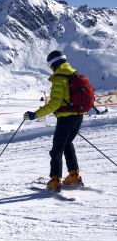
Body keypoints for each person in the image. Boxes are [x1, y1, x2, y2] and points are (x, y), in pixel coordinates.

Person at [23, 50, 84, 191]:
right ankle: (74, 175)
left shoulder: (59, 77)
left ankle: (55, 180)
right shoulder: (74, 74)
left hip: (66, 119)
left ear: (53, 64)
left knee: (57, 148)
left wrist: (35, 114)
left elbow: (55, 103)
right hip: (79, 116)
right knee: (67, 143)